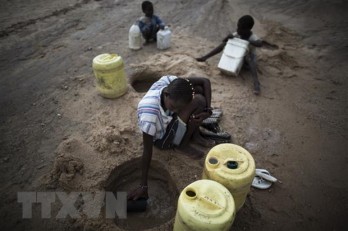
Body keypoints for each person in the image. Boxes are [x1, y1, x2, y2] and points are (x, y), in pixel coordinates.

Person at [127, 75, 215, 201]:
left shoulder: (169, 82)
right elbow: (147, 150)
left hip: (167, 120)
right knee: (199, 100)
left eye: (180, 108)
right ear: (166, 94)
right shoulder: (149, 114)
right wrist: (143, 185)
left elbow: (205, 81)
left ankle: (195, 134)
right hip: (162, 139)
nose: (177, 110)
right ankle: (182, 144)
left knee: (200, 95)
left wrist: (208, 110)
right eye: (174, 107)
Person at [196, 15, 277, 95]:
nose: (238, 30)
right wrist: (227, 37)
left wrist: (248, 41)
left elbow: (260, 43)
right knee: (225, 44)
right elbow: (223, 41)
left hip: (247, 62)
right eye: (237, 27)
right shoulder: (238, 34)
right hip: (237, 59)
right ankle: (205, 58)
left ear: (248, 29)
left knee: (248, 57)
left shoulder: (252, 37)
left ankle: (256, 83)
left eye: (240, 28)